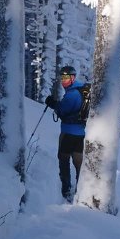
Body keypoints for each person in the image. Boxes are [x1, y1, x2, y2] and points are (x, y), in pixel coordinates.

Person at [43, 64, 87, 202]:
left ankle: (66, 190)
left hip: (68, 133)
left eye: (66, 78)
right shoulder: (80, 90)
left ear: (73, 78)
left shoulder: (72, 94)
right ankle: (81, 190)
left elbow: (62, 110)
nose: (64, 80)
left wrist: (52, 103)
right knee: (78, 162)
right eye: (62, 77)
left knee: (64, 159)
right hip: (80, 134)